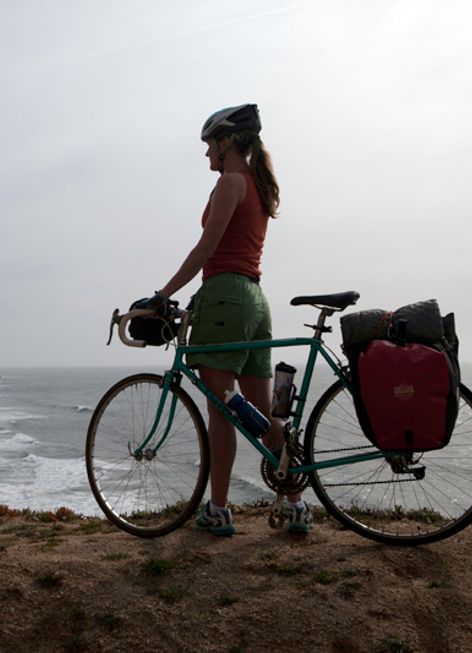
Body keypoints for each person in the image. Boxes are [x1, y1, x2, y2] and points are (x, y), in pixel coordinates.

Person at [134, 103, 312, 536]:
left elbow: (205, 250)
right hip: (255, 299)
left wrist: (162, 295)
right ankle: (296, 505)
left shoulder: (231, 183)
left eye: (209, 144)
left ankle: (217, 509)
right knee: (268, 418)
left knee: (221, 409)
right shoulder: (259, 186)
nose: (206, 154)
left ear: (227, 142)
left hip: (226, 298)